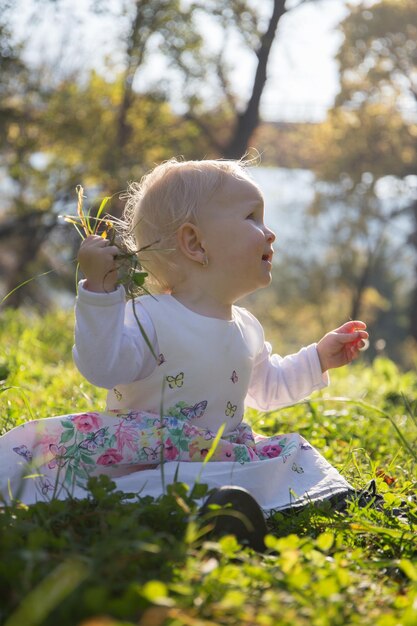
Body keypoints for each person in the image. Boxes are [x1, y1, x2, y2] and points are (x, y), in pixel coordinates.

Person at [0, 158, 368, 539]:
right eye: (252, 218)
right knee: (154, 483)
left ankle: (232, 509)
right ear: (194, 243)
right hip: (148, 457)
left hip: (218, 455)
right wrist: (100, 294)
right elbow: (102, 367)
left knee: (292, 451)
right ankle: (208, 512)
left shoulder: (247, 328)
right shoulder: (149, 316)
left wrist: (318, 357)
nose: (269, 233)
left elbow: (268, 387)